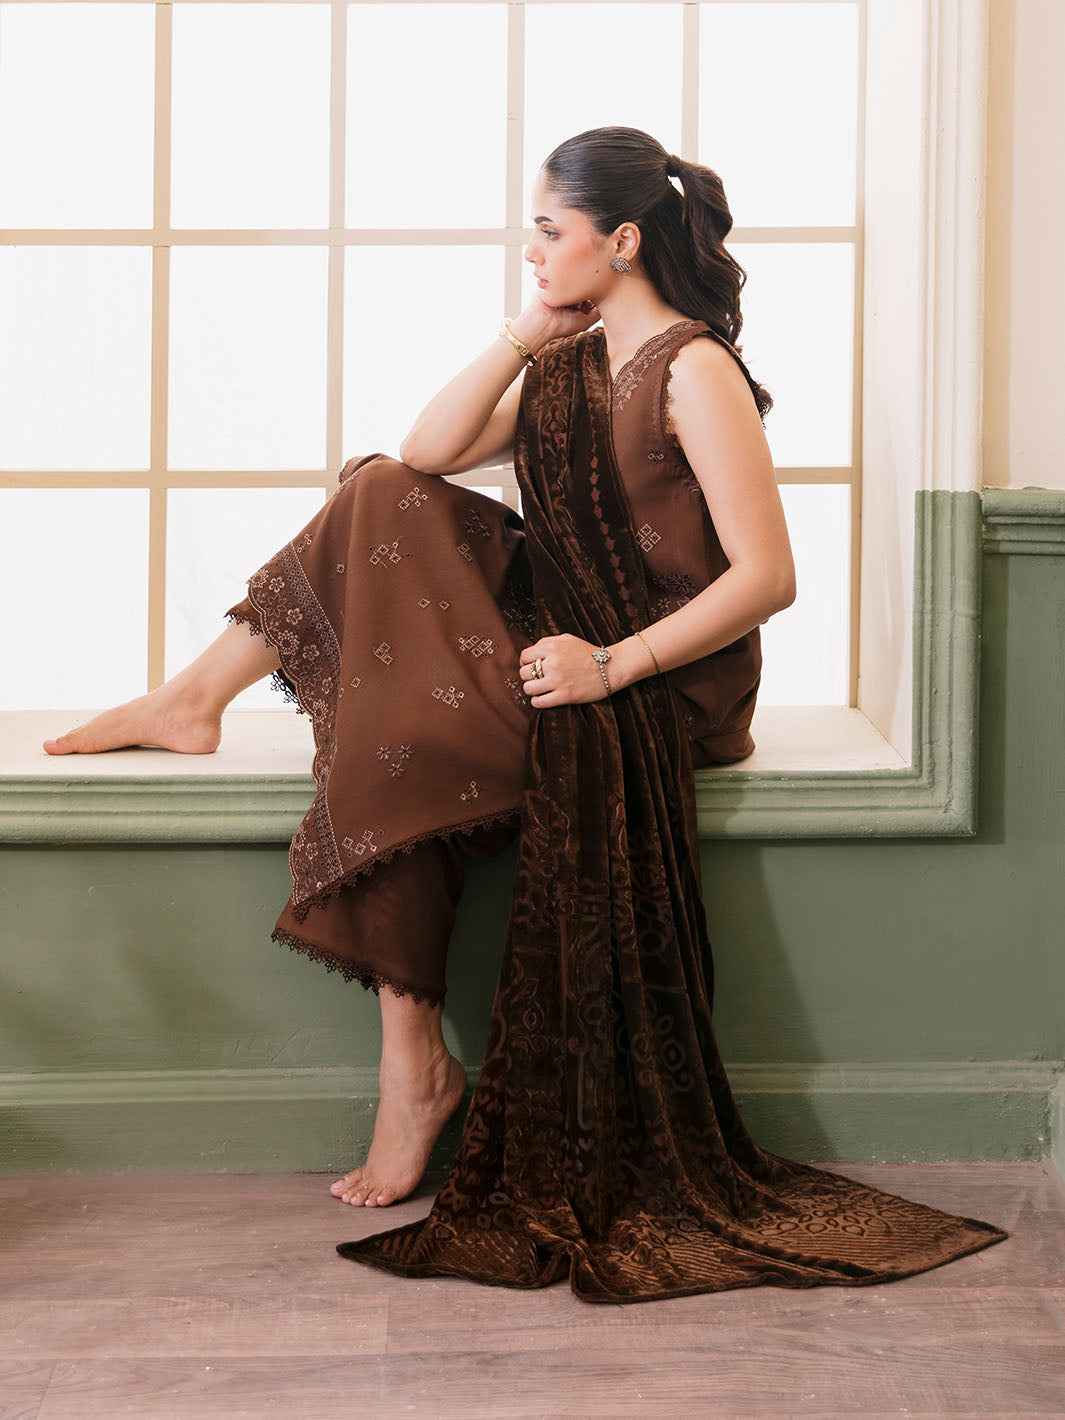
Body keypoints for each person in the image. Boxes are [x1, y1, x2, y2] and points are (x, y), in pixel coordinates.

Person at [44, 126, 1010, 1302]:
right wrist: (521, 335)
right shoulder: (567, 365)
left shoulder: (694, 370)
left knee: (402, 734)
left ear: (623, 240)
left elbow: (768, 576)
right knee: (380, 490)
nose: (533, 252)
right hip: (563, 627)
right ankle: (194, 701)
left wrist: (611, 665)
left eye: (550, 233)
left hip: (659, 675)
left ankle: (412, 1066)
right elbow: (427, 451)